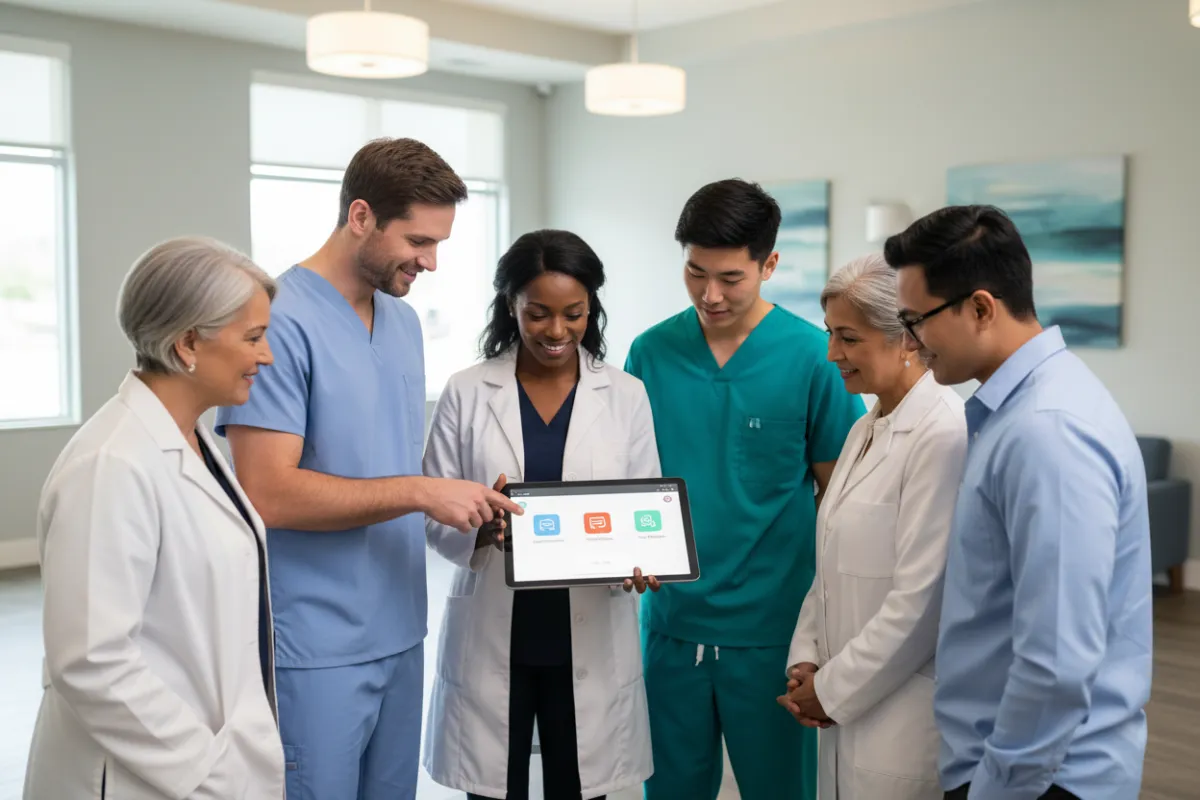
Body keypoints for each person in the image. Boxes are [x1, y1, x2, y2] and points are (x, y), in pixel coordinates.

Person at [215, 138, 522, 800]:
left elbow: (380, 458)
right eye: (418, 240)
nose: (431, 262)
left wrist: (456, 501)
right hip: (315, 642)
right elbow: (265, 493)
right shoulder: (277, 319)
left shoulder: (404, 324)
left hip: (401, 625)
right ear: (360, 217)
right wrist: (419, 492)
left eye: (439, 243)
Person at [886, 205, 1152, 800]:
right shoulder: (1019, 412)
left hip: (1039, 781)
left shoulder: (1045, 432)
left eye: (915, 320)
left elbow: (1056, 665)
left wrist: (996, 790)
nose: (909, 342)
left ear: (981, 308)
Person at [625, 179, 865, 800]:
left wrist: (832, 634)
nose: (710, 294)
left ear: (770, 265)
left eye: (730, 278)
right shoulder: (649, 354)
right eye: (695, 272)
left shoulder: (816, 357)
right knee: (670, 789)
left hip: (774, 631)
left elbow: (840, 504)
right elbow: (627, 484)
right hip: (671, 623)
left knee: (780, 789)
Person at [23, 237, 282, 799]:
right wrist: (207, 771)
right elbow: (92, 661)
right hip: (145, 777)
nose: (266, 357)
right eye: (254, 338)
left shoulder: (196, 442)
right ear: (189, 342)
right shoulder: (112, 463)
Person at [423, 229, 660, 800]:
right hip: (496, 626)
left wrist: (643, 560)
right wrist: (480, 525)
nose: (556, 331)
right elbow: (431, 512)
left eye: (573, 314)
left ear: (591, 309)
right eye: (538, 314)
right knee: (490, 790)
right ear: (512, 306)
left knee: (580, 789)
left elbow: (645, 510)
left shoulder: (626, 394)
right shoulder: (467, 391)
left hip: (587, 625)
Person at [778, 254, 967, 800]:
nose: (832, 353)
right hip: (843, 706)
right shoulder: (865, 426)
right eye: (829, 334)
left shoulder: (942, 434)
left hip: (902, 715)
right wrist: (806, 658)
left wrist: (831, 691)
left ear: (907, 338)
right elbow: (830, 566)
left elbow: (921, 601)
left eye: (849, 338)